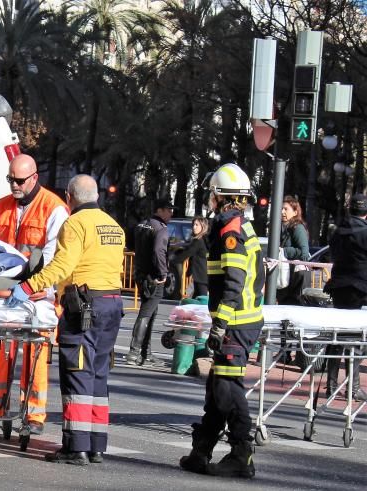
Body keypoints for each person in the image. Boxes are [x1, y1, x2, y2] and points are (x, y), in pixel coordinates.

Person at [11, 175, 124, 465]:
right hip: (112, 306)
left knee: (77, 374)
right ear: (96, 196)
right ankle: (97, 446)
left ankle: (76, 448)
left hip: (84, 308)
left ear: (69, 198)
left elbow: (62, 266)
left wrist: (26, 288)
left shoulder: (74, 224)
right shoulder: (113, 226)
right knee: (98, 376)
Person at [179, 163, 264, 479]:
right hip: (238, 320)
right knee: (217, 386)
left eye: (212, 194)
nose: (210, 199)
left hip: (236, 322)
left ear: (220, 196)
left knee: (228, 388)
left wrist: (220, 324)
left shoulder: (231, 232)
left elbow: (234, 281)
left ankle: (242, 454)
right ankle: (202, 450)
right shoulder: (236, 225)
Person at [0, 154, 68, 434]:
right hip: (6, 291)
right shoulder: (3, 207)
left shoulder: (53, 208)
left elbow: (56, 256)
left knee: (34, 353)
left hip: (37, 293)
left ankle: (33, 415)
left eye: (18, 180)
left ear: (34, 177)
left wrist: (39, 290)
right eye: (10, 179)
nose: (14, 185)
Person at [322, 194, 367, 402]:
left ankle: (331, 384)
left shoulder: (338, 231)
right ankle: (353, 386)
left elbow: (332, 254)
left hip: (338, 286)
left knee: (337, 336)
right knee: (357, 338)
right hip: (360, 288)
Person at [128, 198, 174, 366]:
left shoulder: (142, 225)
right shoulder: (161, 229)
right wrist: (163, 273)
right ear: (159, 210)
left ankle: (145, 352)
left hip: (141, 274)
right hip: (154, 277)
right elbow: (158, 251)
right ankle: (134, 351)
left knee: (151, 311)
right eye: (168, 210)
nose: (171, 213)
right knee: (146, 312)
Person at [278, 196, 312, 305]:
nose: (282, 212)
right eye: (281, 209)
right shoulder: (282, 228)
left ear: (295, 212)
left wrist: (284, 251)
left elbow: (304, 253)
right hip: (287, 276)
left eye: (286, 209)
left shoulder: (298, 228)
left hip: (296, 277)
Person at [172, 216, 210, 298]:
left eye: (197, 225)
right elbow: (193, 258)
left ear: (203, 227)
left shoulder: (198, 241)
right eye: (193, 224)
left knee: (202, 301)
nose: (194, 227)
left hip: (201, 276)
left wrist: (172, 261)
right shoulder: (202, 239)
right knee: (196, 301)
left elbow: (187, 253)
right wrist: (189, 272)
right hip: (202, 275)